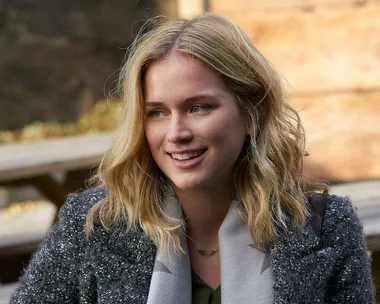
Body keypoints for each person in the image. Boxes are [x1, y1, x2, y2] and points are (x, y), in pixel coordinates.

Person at [11, 12, 374, 304]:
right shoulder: (93, 223)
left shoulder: (326, 228)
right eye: (156, 112)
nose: (176, 133)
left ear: (252, 113)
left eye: (198, 107)